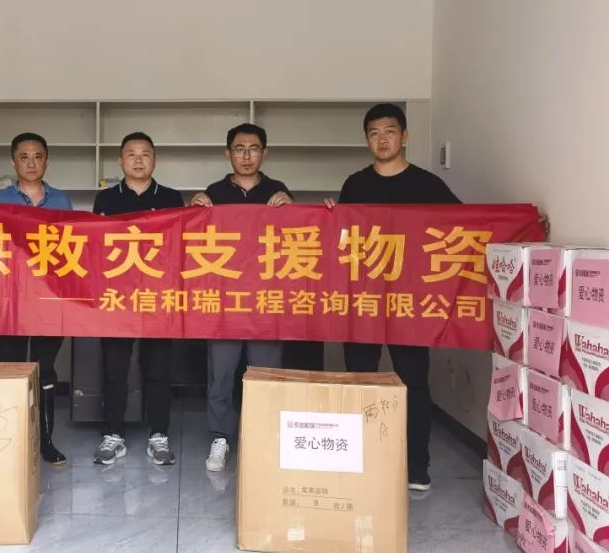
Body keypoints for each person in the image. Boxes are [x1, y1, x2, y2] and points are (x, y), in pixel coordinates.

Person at [326, 103, 459, 493]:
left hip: (409, 302)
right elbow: (342, 239)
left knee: (413, 381)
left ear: (404, 136)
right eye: (374, 133)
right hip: (363, 301)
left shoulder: (428, 185)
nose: (382, 139)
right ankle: (363, 461)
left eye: (389, 131)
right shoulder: (355, 184)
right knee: (361, 379)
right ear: (366, 140)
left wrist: (522, 225)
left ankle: (417, 466)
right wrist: (331, 216)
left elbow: (465, 226)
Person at [189, 123, 296, 473]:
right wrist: (194, 209)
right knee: (220, 374)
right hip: (225, 303)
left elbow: (300, 241)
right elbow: (194, 241)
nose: (246, 156)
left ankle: (265, 438)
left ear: (265, 153)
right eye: (239, 149)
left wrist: (294, 210)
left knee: (267, 375)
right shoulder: (214, 192)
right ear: (227, 153)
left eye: (253, 149)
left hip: (266, 302)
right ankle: (220, 437)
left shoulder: (278, 191)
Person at [92, 132, 184, 467]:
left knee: (158, 368)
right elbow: (96, 247)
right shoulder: (105, 199)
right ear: (120, 161)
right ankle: (113, 435)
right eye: (131, 154)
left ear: (154, 160)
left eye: (145, 153)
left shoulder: (172, 198)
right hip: (117, 298)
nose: (138, 160)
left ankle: (158, 434)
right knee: (115, 369)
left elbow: (181, 246)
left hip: (158, 298)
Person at [0, 132, 73, 466]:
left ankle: (45, 440)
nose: (31, 163)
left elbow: (71, 246)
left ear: (47, 160)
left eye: (38, 157)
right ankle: (10, 439)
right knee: (12, 365)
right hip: (10, 301)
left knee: (45, 368)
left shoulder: (61, 201)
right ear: (13, 161)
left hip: (50, 299)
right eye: (24, 157)